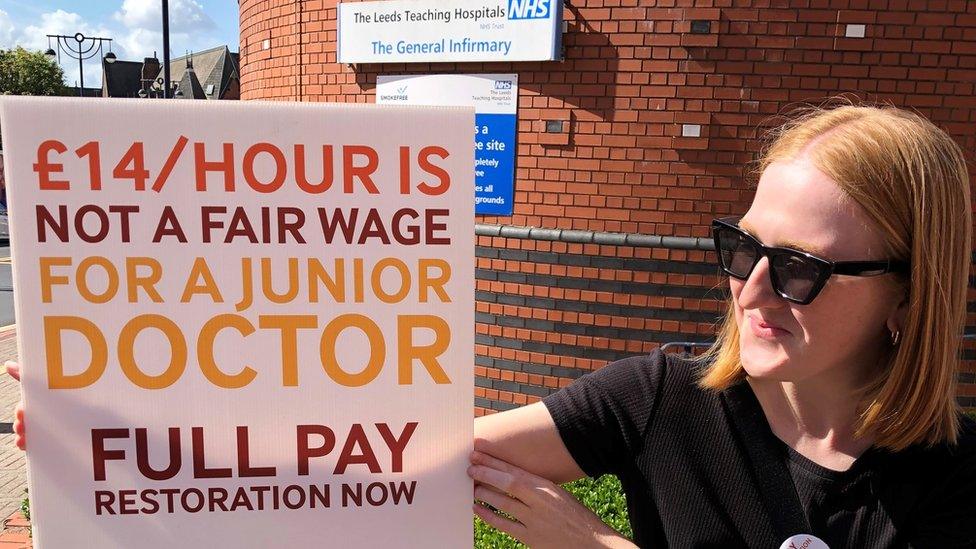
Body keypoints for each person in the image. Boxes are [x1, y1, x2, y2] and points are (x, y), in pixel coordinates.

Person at [8, 102, 976, 547]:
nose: (752, 288)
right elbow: (408, 458)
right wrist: (129, 443)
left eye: (801, 268)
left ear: (908, 291)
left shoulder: (952, 485)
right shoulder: (663, 398)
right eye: (741, 246)